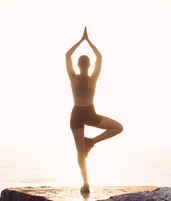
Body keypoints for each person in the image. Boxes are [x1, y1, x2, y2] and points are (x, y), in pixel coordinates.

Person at [65, 27, 123, 193]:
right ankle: (91, 142)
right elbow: (99, 56)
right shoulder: (94, 78)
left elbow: (67, 55)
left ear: (77, 65)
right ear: (89, 65)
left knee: (80, 151)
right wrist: (88, 41)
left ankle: (85, 183)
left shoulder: (73, 78)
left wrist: (80, 40)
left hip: (76, 114)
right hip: (90, 114)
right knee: (118, 127)